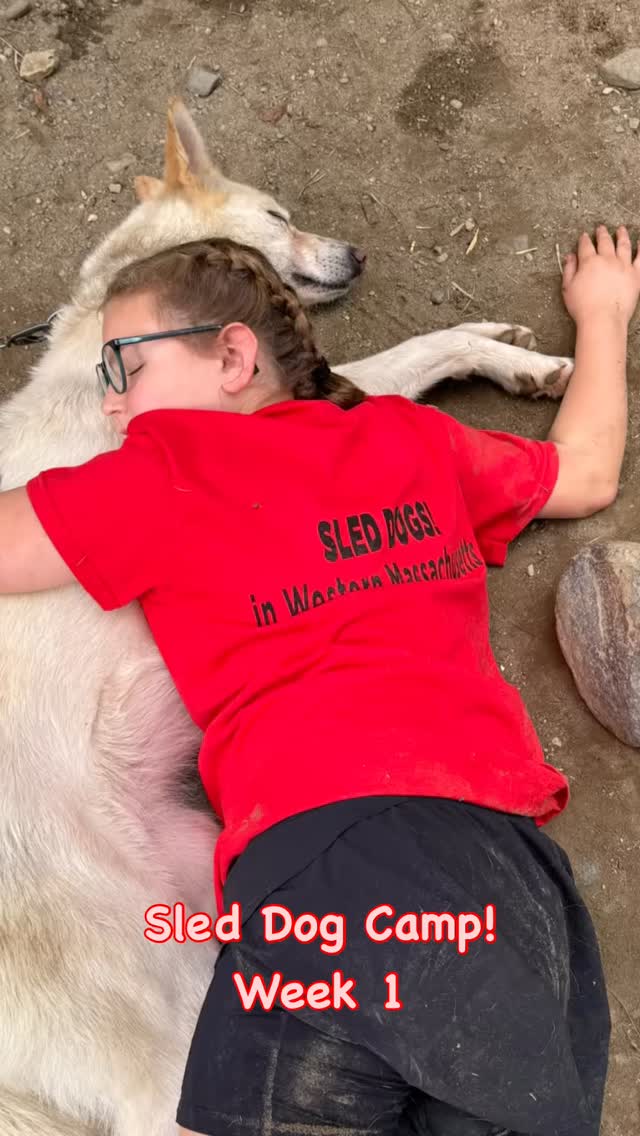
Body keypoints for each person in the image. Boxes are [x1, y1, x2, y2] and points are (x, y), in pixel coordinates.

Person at [0, 226, 637, 1136]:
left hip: (318, 867)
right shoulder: (409, 438)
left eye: (122, 369)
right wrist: (605, 314)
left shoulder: (164, 471)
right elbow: (586, 472)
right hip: (501, 875)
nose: (110, 408)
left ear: (231, 354)